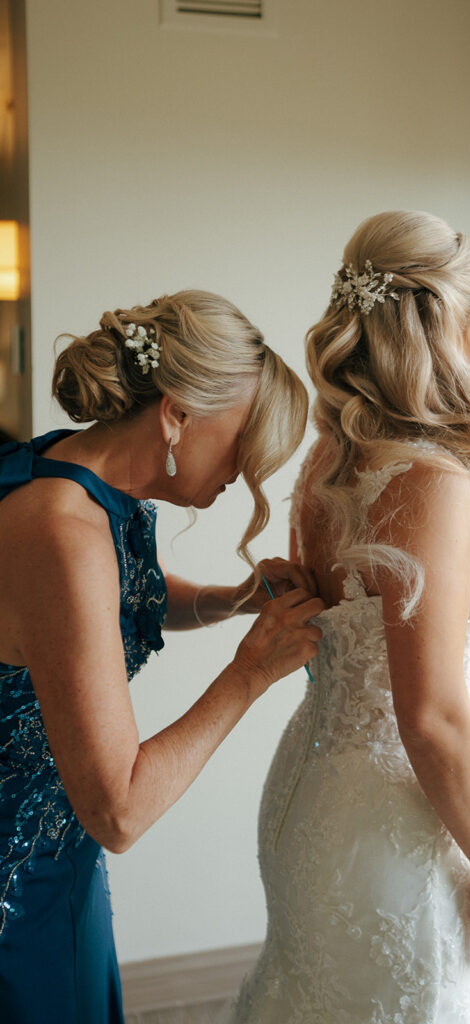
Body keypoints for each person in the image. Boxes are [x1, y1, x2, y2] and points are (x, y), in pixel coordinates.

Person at [226, 212, 470, 1023]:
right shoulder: (425, 477)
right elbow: (431, 719)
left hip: (309, 792)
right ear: (444, 333)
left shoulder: (330, 456)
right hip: (386, 823)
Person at [0, 289, 325, 1024]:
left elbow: (108, 603)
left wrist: (232, 597)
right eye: (242, 445)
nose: (244, 474)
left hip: (54, 865)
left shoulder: (71, 468)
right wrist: (249, 672)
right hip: (16, 893)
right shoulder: (61, 535)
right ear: (176, 415)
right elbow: (120, 810)